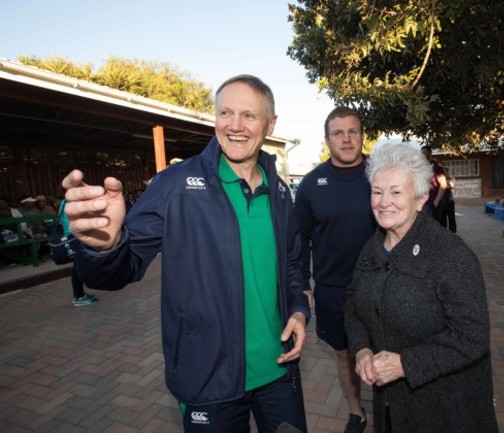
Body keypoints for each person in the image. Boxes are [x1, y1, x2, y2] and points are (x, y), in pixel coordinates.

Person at [62, 75, 310, 433]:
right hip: (207, 378)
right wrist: (104, 247)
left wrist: (300, 311)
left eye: (248, 116)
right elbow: (119, 271)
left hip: (278, 368)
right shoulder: (175, 184)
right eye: (225, 112)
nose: (235, 125)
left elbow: (292, 265)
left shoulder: (282, 193)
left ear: (270, 125)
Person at [345, 143, 498, 433]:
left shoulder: (451, 255)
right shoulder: (372, 247)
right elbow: (353, 304)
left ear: (421, 198)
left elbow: (473, 335)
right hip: (391, 406)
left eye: (396, 192)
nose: (384, 201)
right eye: (377, 192)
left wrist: (406, 364)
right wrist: (362, 349)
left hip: (447, 410)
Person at [294, 106, 376, 433]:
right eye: (338, 133)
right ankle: (357, 412)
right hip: (333, 289)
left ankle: (392, 411)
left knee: (389, 353)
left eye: (352, 131)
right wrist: (303, 283)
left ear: (361, 135)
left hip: (382, 285)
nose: (346, 139)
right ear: (327, 139)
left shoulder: (381, 174)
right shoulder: (312, 184)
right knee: (345, 355)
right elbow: (300, 238)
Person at [58, 198, 98, 306]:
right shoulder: (71, 203)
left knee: (78, 267)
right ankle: (79, 297)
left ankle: (80, 294)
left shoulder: (64, 202)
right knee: (78, 268)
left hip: (73, 237)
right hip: (76, 237)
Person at [419, 146, 447, 224]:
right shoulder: (422, 167)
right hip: (424, 201)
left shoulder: (435, 166)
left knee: (434, 226)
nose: (422, 154)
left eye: (424, 152)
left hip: (432, 202)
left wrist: (436, 201)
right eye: (421, 152)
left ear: (430, 153)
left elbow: (443, 183)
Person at [440, 167, 457, 233]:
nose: (445, 173)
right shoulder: (439, 179)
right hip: (441, 203)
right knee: (442, 220)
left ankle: (453, 233)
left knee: (451, 219)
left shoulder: (451, 179)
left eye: (446, 172)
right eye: (443, 172)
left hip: (449, 202)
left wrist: (441, 181)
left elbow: (450, 186)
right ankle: (444, 233)